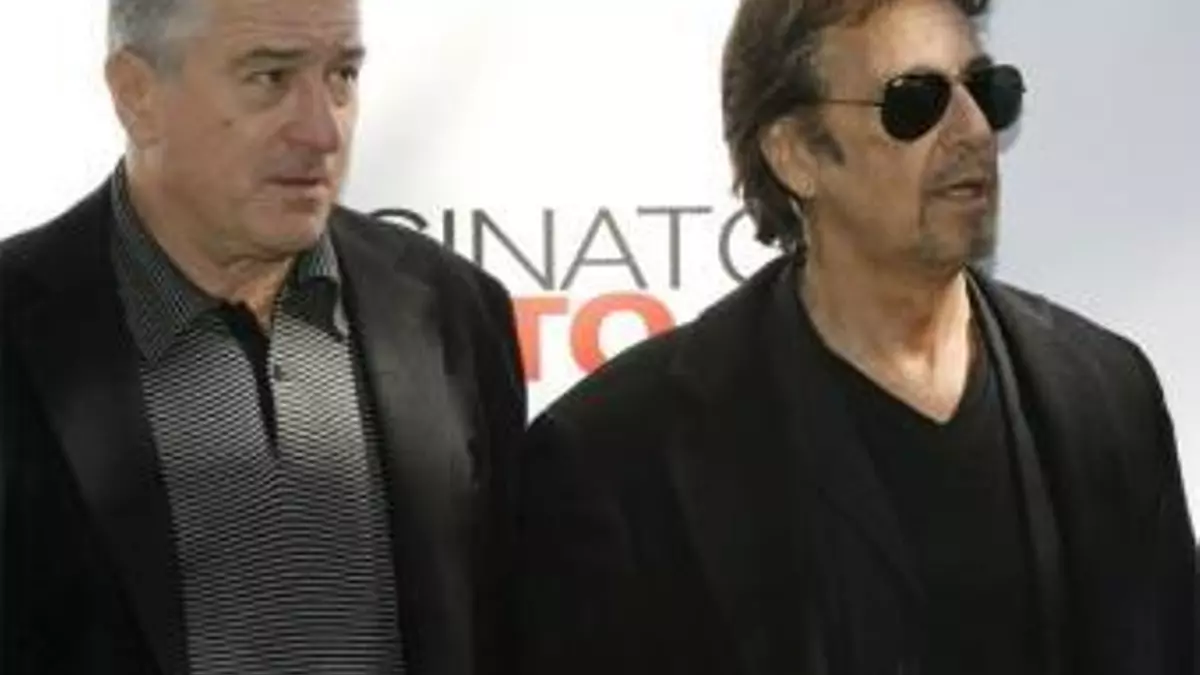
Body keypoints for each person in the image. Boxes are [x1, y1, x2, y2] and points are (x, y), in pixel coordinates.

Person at [513, 0, 1195, 673]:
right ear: (795, 155)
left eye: (986, 89)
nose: (973, 130)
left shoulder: (1108, 392)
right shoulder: (620, 456)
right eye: (915, 101)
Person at [0, 0, 525, 673]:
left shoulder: (451, 309)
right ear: (136, 94)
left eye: (342, 75)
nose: (323, 131)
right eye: (270, 77)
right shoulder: (18, 327)